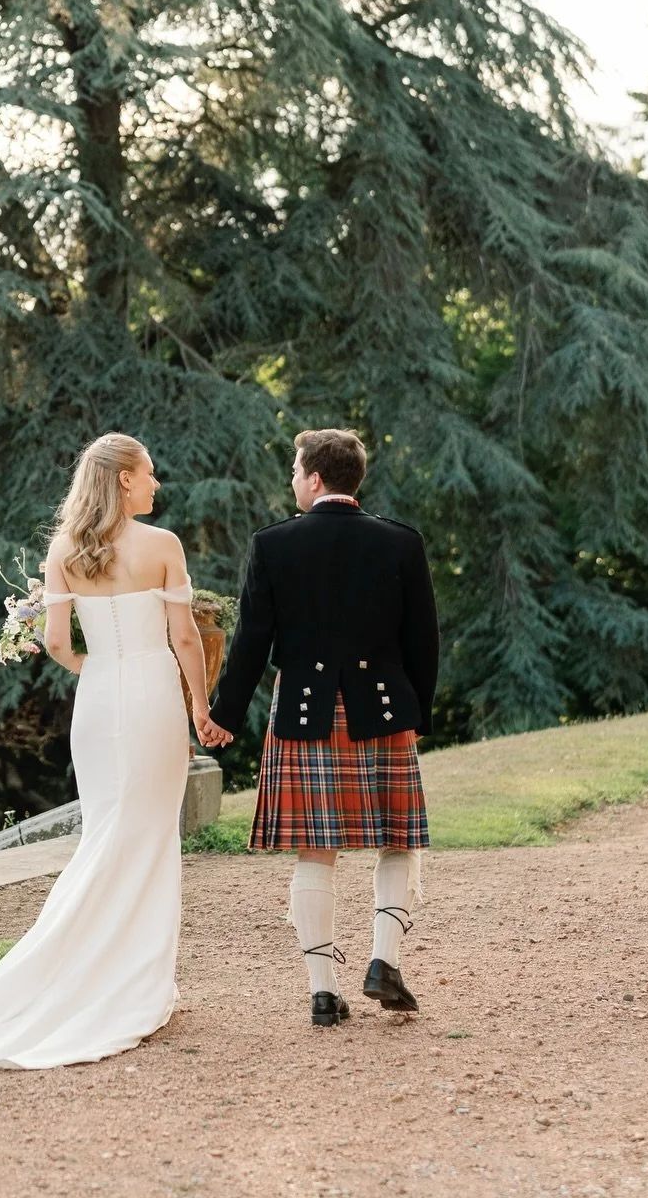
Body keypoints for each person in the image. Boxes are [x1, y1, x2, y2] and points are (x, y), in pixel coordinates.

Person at [0, 432, 224, 1071]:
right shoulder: (163, 547)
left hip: (96, 704)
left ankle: (99, 972)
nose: (157, 484)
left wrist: (100, 673)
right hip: (153, 697)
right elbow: (185, 638)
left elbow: (55, 643)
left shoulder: (65, 549)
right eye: (149, 473)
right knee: (148, 837)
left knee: (108, 832)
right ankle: (132, 981)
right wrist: (199, 710)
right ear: (124, 479)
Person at [210, 429, 439, 1028]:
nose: (292, 478)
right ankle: (383, 961)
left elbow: (251, 643)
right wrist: (421, 715)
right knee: (398, 839)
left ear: (313, 479)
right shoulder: (401, 542)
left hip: (305, 713)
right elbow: (423, 643)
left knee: (317, 848)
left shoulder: (274, 544)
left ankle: (322, 990)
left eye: (294, 469)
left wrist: (223, 715)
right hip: (382, 711)